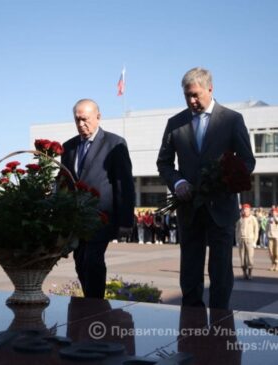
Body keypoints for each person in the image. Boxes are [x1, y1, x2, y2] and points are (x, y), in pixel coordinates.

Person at [157, 67, 255, 309]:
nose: (192, 100)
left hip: (220, 206)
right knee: (190, 266)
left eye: (196, 95)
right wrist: (178, 182)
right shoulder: (175, 123)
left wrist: (224, 178)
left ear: (210, 89)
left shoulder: (232, 120)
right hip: (189, 207)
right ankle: (191, 322)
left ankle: (220, 321)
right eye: (187, 95)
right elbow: (164, 163)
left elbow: (247, 161)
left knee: (220, 269)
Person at [61, 99, 135, 298]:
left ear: (98, 117)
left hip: (101, 217)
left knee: (92, 261)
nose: (81, 124)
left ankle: (95, 306)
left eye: (85, 119)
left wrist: (126, 221)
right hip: (77, 220)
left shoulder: (114, 144)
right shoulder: (68, 147)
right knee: (80, 262)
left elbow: (124, 185)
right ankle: (89, 302)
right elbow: (64, 184)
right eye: (77, 120)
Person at [235, 204, 259, 280]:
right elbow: (237, 230)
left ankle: (250, 273)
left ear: (249, 210)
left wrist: (255, 241)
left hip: (250, 240)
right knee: (242, 258)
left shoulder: (253, 219)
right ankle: (244, 273)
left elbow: (256, 230)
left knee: (250, 257)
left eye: (246, 209)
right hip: (242, 240)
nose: (245, 211)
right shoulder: (240, 219)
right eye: (244, 209)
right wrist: (237, 240)